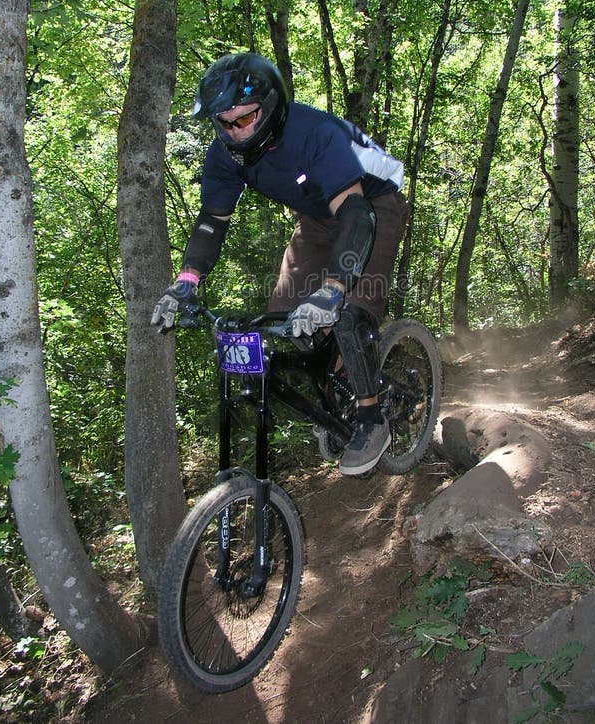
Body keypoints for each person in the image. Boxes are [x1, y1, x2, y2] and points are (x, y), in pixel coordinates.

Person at [152, 53, 408, 476]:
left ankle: (370, 416)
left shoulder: (315, 134)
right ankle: (341, 384)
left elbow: (356, 214)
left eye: (244, 118)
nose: (235, 131)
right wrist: (186, 281)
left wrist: (334, 289)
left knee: (347, 309)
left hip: (372, 204)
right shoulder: (225, 155)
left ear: (270, 107)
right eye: (224, 123)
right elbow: (212, 221)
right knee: (284, 315)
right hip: (319, 214)